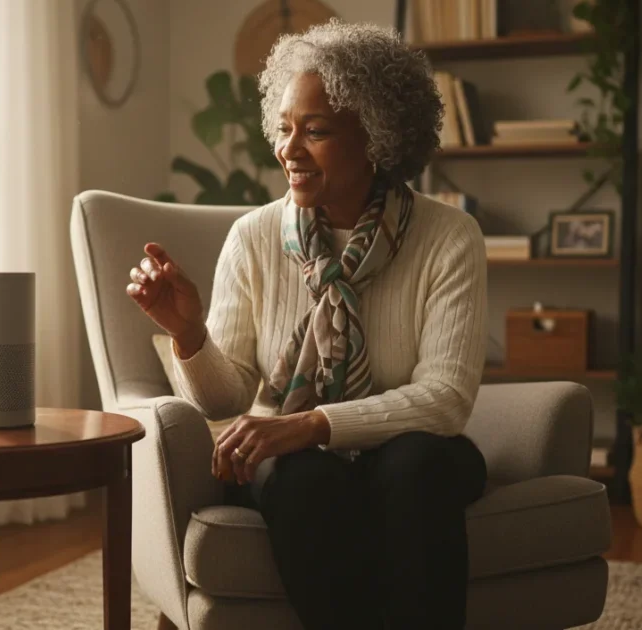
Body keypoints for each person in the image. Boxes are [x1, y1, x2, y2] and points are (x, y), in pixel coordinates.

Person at [127, 19, 488, 630]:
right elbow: (229, 395)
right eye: (284, 128)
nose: (288, 149)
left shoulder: (448, 237)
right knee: (304, 479)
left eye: (315, 131)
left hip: (406, 453)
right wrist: (189, 334)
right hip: (293, 464)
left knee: (417, 464)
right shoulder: (255, 236)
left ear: (378, 138)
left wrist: (312, 424)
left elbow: (446, 399)